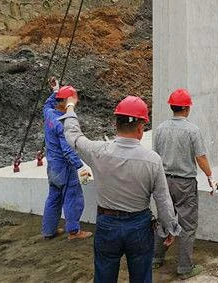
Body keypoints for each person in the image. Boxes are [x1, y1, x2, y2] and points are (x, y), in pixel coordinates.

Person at [61, 94, 181, 283]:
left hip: (107, 224)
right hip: (139, 227)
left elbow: (72, 136)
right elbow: (162, 200)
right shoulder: (152, 160)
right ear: (141, 128)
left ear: (116, 125)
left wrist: (70, 106)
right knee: (141, 277)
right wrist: (170, 228)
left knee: (104, 276)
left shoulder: (98, 151)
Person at [152, 88, 217, 280]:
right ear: (187, 109)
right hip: (185, 183)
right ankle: (185, 268)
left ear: (172, 107)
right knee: (187, 226)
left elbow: (155, 156)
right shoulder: (192, 130)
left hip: (163, 181)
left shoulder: (161, 128)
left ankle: (156, 257)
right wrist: (210, 176)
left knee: (164, 219)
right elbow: (201, 157)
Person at [41, 78, 92, 241]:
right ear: (64, 102)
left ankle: (49, 231)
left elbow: (47, 104)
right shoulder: (62, 123)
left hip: (53, 167)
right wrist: (80, 166)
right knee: (73, 197)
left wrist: (55, 91)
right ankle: (74, 232)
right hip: (65, 167)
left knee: (54, 197)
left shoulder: (49, 113)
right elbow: (68, 149)